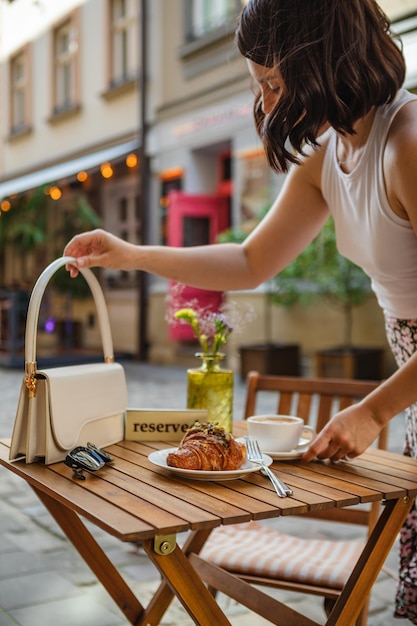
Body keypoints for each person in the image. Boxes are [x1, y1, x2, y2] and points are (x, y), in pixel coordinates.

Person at [64, 1, 417, 619]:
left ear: (324, 61)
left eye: (275, 84)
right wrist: (134, 254)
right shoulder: (328, 155)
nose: (270, 105)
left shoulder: (406, 143)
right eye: (262, 87)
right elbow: (252, 262)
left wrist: (370, 412)